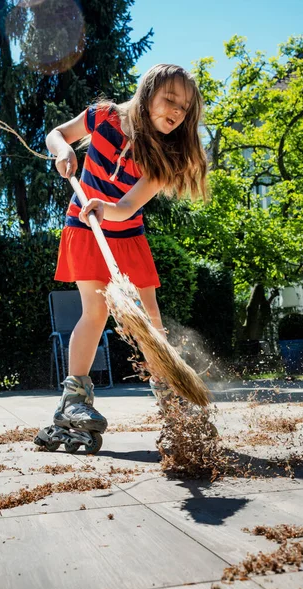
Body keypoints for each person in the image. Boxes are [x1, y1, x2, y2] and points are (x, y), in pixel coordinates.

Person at [45, 64, 207, 433]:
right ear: (147, 93)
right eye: (170, 100)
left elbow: (129, 206)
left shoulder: (167, 155)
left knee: (150, 319)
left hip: (126, 233)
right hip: (84, 228)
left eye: (185, 107)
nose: (177, 112)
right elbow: (57, 133)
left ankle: (171, 395)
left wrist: (107, 208)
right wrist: (63, 150)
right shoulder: (104, 116)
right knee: (96, 311)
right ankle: (74, 401)